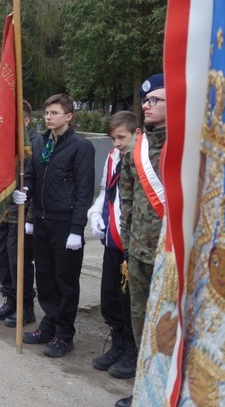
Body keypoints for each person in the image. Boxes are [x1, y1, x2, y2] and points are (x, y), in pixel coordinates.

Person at [15, 93, 95, 358]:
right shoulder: (39, 143)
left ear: (69, 116)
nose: (48, 117)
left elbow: (84, 191)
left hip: (65, 222)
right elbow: (34, 178)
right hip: (42, 219)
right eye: (47, 113)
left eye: (55, 113)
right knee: (45, 276)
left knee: (65, 279)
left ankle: (64, 333)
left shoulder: (80, 146)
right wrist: (25, 199)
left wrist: (76, 229)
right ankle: (49, 322)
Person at [115, 75, 166, 407]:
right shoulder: (138, 149)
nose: (146, 106)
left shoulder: (189, 144)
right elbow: (128, 200)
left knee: (170, 324)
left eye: (155, 101)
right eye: (145, 101)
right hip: (138, 252)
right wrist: (127, 244)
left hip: (172, 254)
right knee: (142, 321)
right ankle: (147, 390)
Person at [87, 111, 142, 378]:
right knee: (109, 296)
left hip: (135, 242)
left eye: (122, 137)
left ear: (136, 134)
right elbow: (104, 191)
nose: (117, 143)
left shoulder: (144, 161)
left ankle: (132, 349)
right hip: (112, 239)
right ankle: (117, 343)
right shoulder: (112, 158)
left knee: (129, 300)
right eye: (113, 138)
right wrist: (95, 213)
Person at [0, 100, 39, 327]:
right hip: (4, 211)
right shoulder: (6, 143)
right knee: (3, 257)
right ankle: (9, 299)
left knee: (18, 261)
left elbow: (34, 179)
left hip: (22, 212)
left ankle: (25, 306)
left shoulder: (35, 143)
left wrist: (29, 209)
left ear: (26, 121)